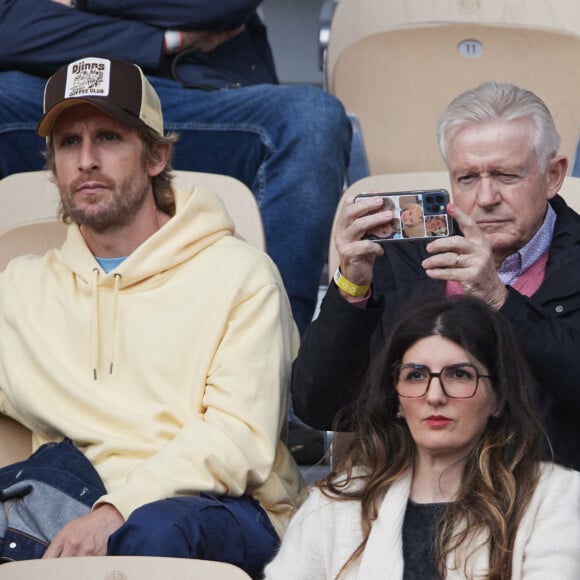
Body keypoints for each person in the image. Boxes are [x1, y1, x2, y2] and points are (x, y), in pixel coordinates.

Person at [0, 57, 303, 577]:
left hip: (223, 507)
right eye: (68, 143)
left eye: (109, 138)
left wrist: (118, 509)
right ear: (52, 166)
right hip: (68, 503)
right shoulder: (19, 288)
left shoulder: (241, 275)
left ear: (157, 156)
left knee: (152, 532)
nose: (86, 160)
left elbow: (237, 440)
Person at [0, 0, 352, 336]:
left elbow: (220, 6)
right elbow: (10, 26)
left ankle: (278, 350)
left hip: (203, 90)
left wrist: (80, 5)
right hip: (69, 88)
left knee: (313, 118)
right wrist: (163, 39)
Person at [292, 81, 580, 471]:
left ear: (553, 175)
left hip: (552, 501)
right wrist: (352, 289)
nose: (486, 197)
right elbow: (320, 406)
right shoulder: (400, 259)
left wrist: (501, 301)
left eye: (507, 175)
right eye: (466, 178)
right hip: (416, 492)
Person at [266, 297, 580, 579]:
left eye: (459, 375)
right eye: (416, 375)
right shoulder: (336, 504)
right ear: (397, 398)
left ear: (498, 397)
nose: (434, 396)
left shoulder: (554, 498)